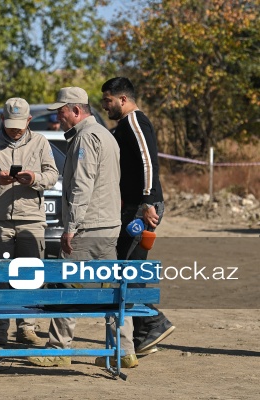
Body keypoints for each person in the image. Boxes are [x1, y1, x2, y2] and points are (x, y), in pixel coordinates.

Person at [27, 87, 137, 369]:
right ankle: (124, 349)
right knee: (114, 290)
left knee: (66, 285)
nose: (57, 118)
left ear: (76, 111)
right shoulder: (105, 135)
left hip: (88, 227)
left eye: (61, 112)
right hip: (109, 225)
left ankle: (58, 350)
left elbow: (81, 187)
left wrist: (71, 227)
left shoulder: (86, 139)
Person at [0, 97, 59, 346]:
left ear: (29, 120)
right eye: (10, 124)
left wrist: (34, 178)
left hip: (31, 219)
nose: (15, 129)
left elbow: (52, 175)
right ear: (2, 120)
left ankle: (27, 327)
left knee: (30, 275)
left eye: (20, 124)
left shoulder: (41, 142)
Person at [101, 77, 175, 355]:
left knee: (127, 269)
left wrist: (146, 202)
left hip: (142, 208)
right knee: (130, 269)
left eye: (108, 100)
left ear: (122, 99)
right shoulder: (124, 126)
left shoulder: (135, 122)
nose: (106, 106)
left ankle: (154, 322)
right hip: (134, 206)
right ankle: (145, 332)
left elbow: (147, 161)